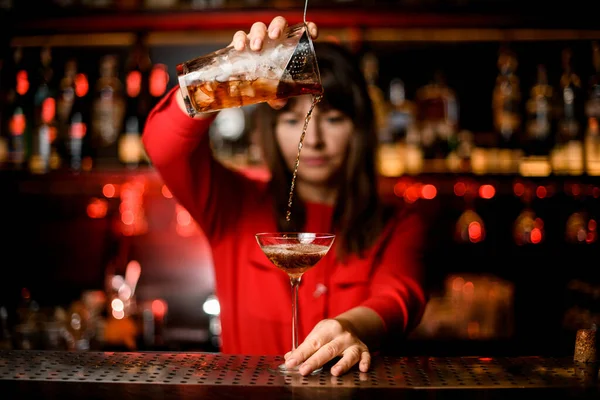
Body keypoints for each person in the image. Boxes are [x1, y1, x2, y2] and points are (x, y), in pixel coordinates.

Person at [142, 16, 428, 377]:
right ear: (271, 128)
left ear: (361, 130)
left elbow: (400, 299)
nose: (313, 139)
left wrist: (352, 328)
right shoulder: (232, 203)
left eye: (335, 119)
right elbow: (163, 147)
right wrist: (229, 72)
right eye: (294, 121)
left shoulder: (398, 223)